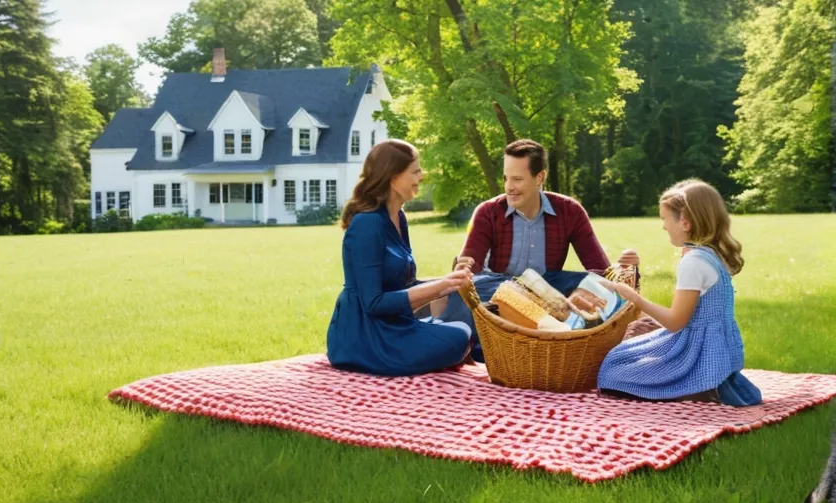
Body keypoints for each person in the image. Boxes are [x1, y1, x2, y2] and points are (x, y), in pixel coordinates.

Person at [435, 139, 639, 360]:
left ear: (540, 177)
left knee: (595, 284)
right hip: (499, 287)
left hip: (549, 287)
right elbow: (470, 269)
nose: (509, 187)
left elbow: (599, 269)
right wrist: (464, 269)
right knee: (471, 287)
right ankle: (539, 335)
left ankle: (570, 336)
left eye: (517, 179)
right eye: (506, 178)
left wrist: (625, 269)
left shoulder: (570, 211)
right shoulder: (488, 212)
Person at [596, 179, 762, 406]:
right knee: (633, 344)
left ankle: (698, 388)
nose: (663, 226)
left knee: (613, 368)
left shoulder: (694, 262)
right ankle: (707, 386)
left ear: (685, 222)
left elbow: (675, 323)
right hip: (718, 351)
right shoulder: (711, 254)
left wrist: (633, 297)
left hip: (696, 355)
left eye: (665, 219)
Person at [326, 139, 474, 376]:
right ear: (393, 177)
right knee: (459, 337)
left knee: (466, 330)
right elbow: (373, 303)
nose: (421, 177)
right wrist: (441, 286)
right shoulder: (367, 224)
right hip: (363, 337)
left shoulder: (398, 218)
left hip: (395, 325)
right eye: (415, 171)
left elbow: (405, 288)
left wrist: (449, 283)